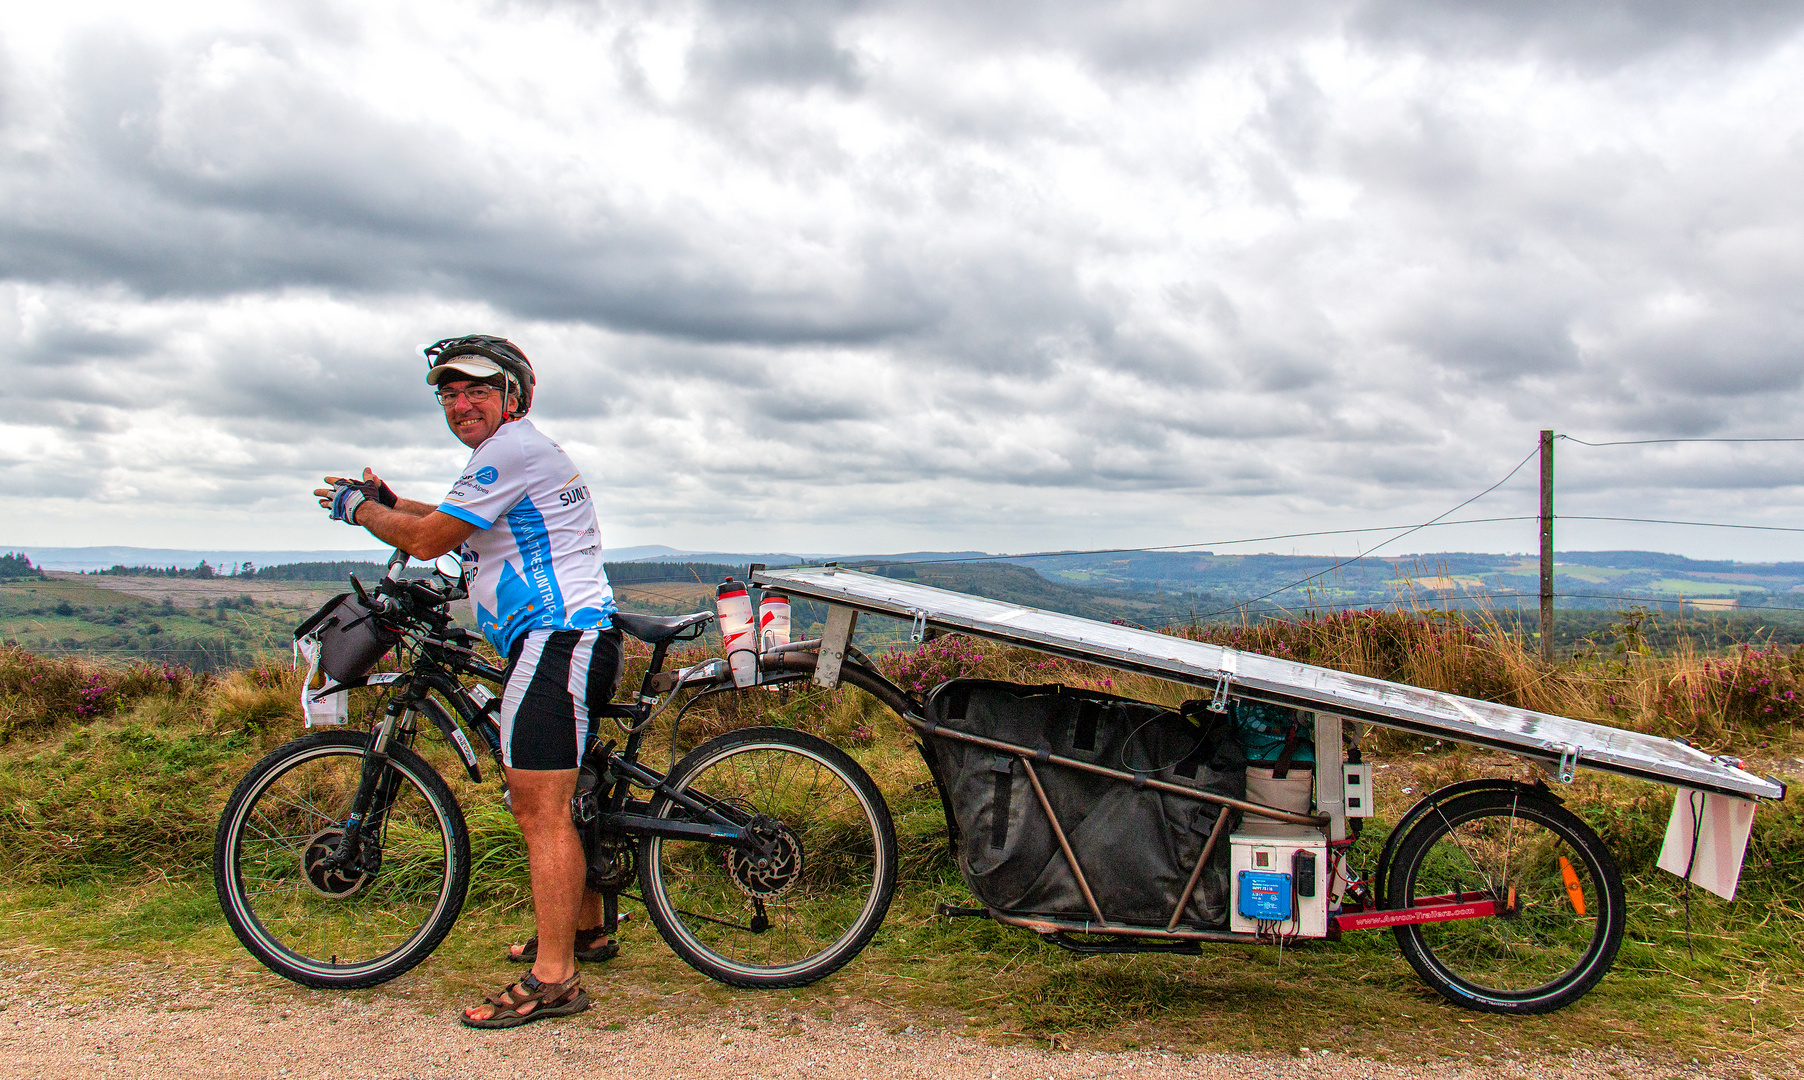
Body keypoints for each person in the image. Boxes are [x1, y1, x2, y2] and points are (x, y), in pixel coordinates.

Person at [314, 335, 621, 1029]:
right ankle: (581, 930)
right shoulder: (508, 457)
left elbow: (426, 542)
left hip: (558, 638)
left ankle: (555, 979)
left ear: (514, 396)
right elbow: (447, 518)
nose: (461, 403)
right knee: (565, 794)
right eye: (449, 393)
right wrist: (394, 499)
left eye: (477, 389)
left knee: (537, 807)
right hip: (563, 638)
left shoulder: (509, 449)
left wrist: (358, 509)